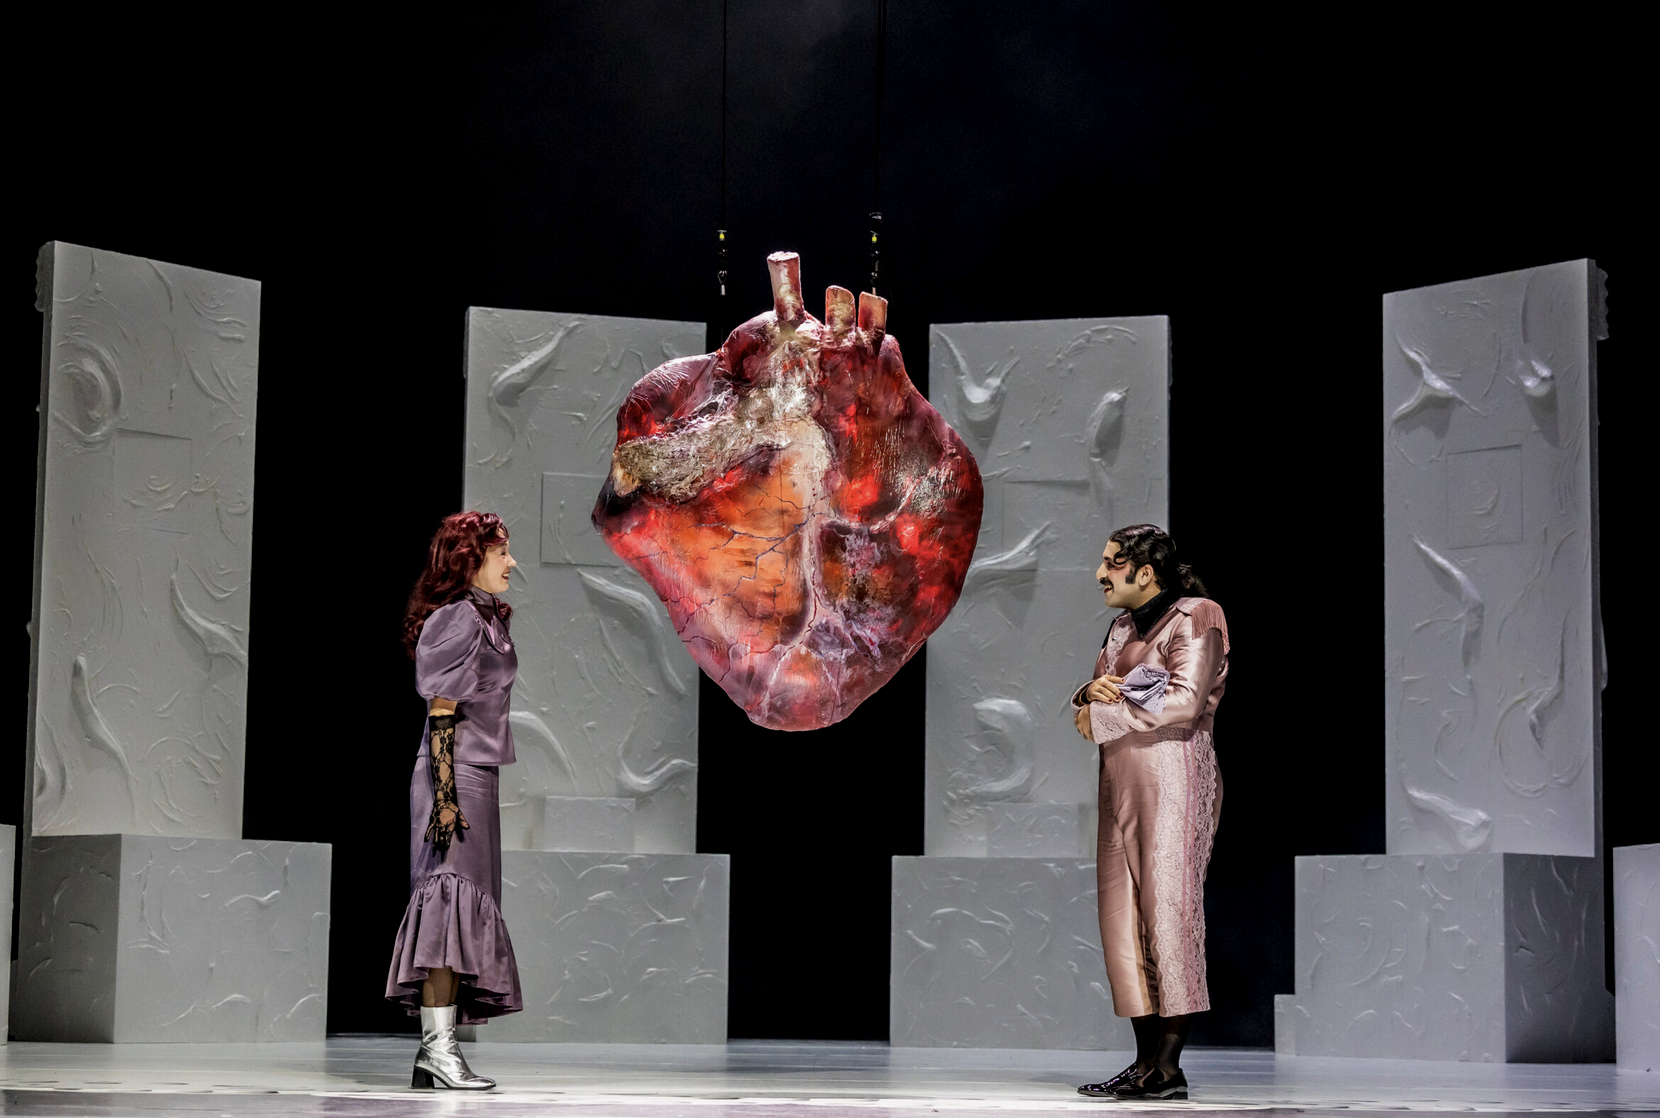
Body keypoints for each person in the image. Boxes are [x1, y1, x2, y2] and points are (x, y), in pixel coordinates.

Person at [1070, 524, 1228, 1101]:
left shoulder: (1198, 616)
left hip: (1175, 777)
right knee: (1122, 920)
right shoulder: (1119, 628)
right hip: (1119, 780)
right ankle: (1143, 1065)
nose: (1100, 573)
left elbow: (1185, 701)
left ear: (1146, 571)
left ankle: (1169, 1064)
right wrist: (1090, 699)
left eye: (1112, 563)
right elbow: (1088, 701)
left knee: (1168, 911)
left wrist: (1106, 707)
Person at [385, 511, 524, 1090]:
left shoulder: (484, 616)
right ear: (471, 558)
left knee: (462, 912)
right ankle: (438, 1051)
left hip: (478, 777)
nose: (511, 562)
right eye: (501, 552)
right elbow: (441, 713)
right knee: (447, 910)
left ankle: (435, 1052)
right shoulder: (457, 619)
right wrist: (444, 796)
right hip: (453, 776)